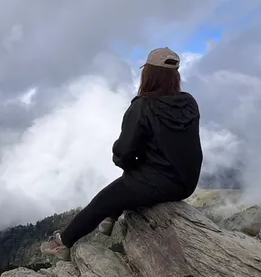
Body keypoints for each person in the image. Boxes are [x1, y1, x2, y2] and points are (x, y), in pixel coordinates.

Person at [39, 47, 203, 261]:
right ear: (175, 76)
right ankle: (113, 214)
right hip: (187, 183)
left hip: (159, 183)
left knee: (103, 200)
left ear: (148, 75)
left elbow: (124, 151)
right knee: (128, 185)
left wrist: (126, 164)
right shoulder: (189, 102)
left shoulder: (142, 107)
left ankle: (63, 242)